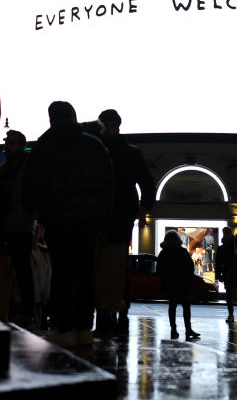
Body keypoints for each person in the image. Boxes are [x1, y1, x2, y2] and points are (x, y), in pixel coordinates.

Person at [23, 101, 113, 347]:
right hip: (90, 220)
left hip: (57, 218)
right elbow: (108, 185)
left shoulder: (44, 145)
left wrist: (34, 213)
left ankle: (63, 328)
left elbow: (32, 184)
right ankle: (84, 327)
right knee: (85, 272)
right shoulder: (95, 145)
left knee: (61, 273)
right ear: (74, 117)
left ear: (51, 118)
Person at [95, 107, 156, 336]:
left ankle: (106, 315)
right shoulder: (130, 152)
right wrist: (143, 208)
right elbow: (147, 182)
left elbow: (147, 183)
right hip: (122, 211)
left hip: (104, 212)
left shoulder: (98, 150)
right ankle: (119, 314)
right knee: (118, 265)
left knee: (103, 265)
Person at [0, 129, 35, 325]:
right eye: (7, 142)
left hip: (19, 227)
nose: (8, 146)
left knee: (21, 271)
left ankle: (23, 311)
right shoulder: (3, 170)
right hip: (3, 227)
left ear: (22, 145)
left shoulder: (22, 170)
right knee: (6, 272)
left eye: (12, 143)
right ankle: (9, 310)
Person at [158, 230, 200, 340]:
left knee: (172, 306)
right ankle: (188, 329)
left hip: (170, 283)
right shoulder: (182, 251)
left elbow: (159, 270)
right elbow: (190, 267)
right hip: (183, 283)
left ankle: (174, 329)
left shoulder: (163, 253)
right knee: (186, 306)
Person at [216, 230, 237, 323]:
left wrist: (219, 274)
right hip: (233, 273)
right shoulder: (234, 246)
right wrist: (219, 274)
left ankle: (233, 314)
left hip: (230, 273)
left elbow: (218, 262)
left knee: (231, 295)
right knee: (235, 294)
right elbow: (218, 262)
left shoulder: (225, 247)